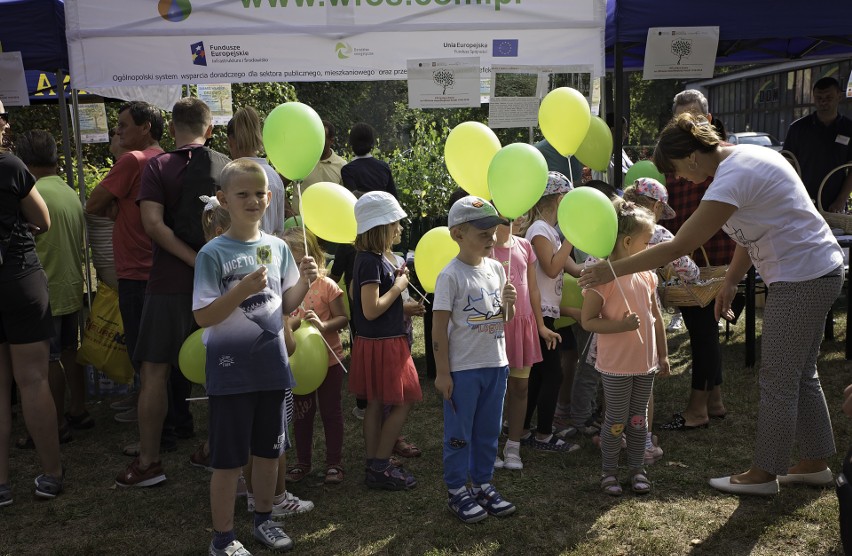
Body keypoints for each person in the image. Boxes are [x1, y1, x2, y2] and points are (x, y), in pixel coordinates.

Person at [579, 112, 844, 496]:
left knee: (778, 381)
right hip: (816, 271)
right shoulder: (745, 159)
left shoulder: (731, 176)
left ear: (690, 157)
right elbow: (753, 232)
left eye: (676, 172)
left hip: (801, 277)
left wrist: (611, 271)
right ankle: (815, 462)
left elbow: (677, 247)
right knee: (802, 374)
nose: (680, 181)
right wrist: (732, 280)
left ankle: (764, 474)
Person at [193, 159, 318, 555]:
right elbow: (203, 316)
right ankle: (223, 539)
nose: (253, 200)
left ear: (270, 197)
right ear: (223, 200)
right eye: (242, 193)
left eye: (259, 193)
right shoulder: (212, 253)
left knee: (270, 452)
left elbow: (285, 305)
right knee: (229, 461)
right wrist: (241, 290)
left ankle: (264, 520)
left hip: (272, 368)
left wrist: (306, 280)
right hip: (231, 374)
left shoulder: (278, 247)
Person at [115, 97, 227, 487]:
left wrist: (191, 260)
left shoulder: (157, 165)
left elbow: (154, 226)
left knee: (154, 373)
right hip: (219, 285)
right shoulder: (226, 166)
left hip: (166, 283)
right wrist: (207, 263)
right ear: (209, 129)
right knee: (221, 369)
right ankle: (215, 450)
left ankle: (149, 463)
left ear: (175, 129)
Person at [433, 195, 517, 523]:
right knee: (459, 432)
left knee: (489, 430)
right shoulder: (450, 276)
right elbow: (438, 330)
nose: (492, 238)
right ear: (458, 234)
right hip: (464, 370)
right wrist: (443, 374)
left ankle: (482, 484)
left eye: (493, 231)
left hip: (496, 365)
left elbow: (503, 318)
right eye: (483, 233)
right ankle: (457, 490)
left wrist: (508, 303)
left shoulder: (496, 268)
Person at [657, 89, 734, 430]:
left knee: (703, 333)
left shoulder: (723, 159)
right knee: (703, 331)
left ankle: (697, 409)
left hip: (716, 257)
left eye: (694, 120)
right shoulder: (675, 161)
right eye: (681, 122)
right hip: (685, 258)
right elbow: (669, 212)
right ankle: (714, 401)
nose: (688, 128)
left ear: (709, 119)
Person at [581, 199, 668, 496]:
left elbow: (655, 316)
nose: (651, 248)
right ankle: (609, 472)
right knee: (616, 421)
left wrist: (664, 354)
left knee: (638, 419)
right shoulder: (601, 279)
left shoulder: (647, 275)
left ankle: (636, 470)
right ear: (628, 242)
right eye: (647, 242)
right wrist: (621, 326)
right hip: (617, 365)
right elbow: (588, 321)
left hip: (645, 363)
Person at [0, 97, 64, 503]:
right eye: (1, 117)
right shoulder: (10, 166)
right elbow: (43, 220)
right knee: (34, 380)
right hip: (19, 277)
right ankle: (51, 474)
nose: (6, 124)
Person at [86, 101, 165, 425]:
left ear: (145, 127)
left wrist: (114, 209)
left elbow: (92, 204)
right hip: (162, 267)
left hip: (134, 270)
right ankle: (159, 409)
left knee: (141, 352)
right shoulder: (164, 158)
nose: (117, 131)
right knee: (159, 354)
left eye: (123, 125)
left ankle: (146, 409)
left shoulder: (132, 159)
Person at [622, 177, 700, 464]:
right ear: (656, 205)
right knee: (643, 385)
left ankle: (616, 433)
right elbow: (690, 272)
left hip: (611, 309)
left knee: (613, 377)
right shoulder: (658, 233)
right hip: (642, 307)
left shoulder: (613, 224)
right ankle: (641, 440)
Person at [16, 130, 88, 440]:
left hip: (46, 291)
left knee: (49, 362)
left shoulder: (30, 193)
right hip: (71, 286)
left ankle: (55, 423)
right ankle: (79, 409)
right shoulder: (69, 191)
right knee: (71, 353)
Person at [349, 191, 421, 490]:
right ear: (380, 227)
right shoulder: (369, 262)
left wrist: (395, 277)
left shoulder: (373, 259)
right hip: (384, 343)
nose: (399, 229)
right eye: (394, 223)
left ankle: (374, 462)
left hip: (376, 342)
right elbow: (371, 308)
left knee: (377, 404)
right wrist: (400, 286)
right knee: (402, 402)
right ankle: (379, 465)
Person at [490, 217, 560, 471]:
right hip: (496, 328)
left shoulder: (524, 245)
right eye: (510, 216)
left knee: (520, 387)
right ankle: (490, 445)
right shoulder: (485, 248)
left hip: (524, 325)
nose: (519, 219)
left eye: (521, 213)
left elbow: (533, 289)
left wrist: (541, 326)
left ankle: (514, 444)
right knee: (494, 391)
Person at [281, 227, 349, 485]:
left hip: (329, 360)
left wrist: (322, 325)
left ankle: (334, 462)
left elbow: (343, 319)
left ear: (314, 257)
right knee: (301, 414)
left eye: (301, 262)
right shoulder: (285, 290)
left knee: (331, 412)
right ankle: (302, 462)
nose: (297, 269)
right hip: (298, 363)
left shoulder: (327, 285)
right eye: (291, 264)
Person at [519, 172, 581, 452]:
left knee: (538, 375)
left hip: (547, 313)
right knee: (552, 374)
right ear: (559, 198)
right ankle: (543, 435)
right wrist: (571, 235)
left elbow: (574, 269)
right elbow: (553, 268)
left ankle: (522, 428)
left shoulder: (551, 232)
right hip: (538, 314)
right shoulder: (539, 231)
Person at [784, 76, 852, 212]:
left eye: (828, 97)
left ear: (839, 96)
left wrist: (841, 200)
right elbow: (786, 164)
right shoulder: (798, 128)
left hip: (834, 205)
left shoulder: (849, 128)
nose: (823, 102)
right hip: (801, 202)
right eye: (819, 98)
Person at [226, 107, 286, 235]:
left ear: (230, 142)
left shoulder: (230, 176)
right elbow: (280, 228)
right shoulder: (274, 176)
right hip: (271, 251)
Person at [293, 120, 347, 214]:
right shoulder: (300, 160)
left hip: (330, 224)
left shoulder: (341, 165)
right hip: (300, 225)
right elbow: (278, 184)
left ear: (331, 141)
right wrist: (287, 209)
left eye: (322, 137)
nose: (317, 141)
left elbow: (346, 198)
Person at [341, 123, 397, 197]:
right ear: (372, 143)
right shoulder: (384, 167)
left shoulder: (348, 170)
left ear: (351, 143)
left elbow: (351, 199)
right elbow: (394, 198)